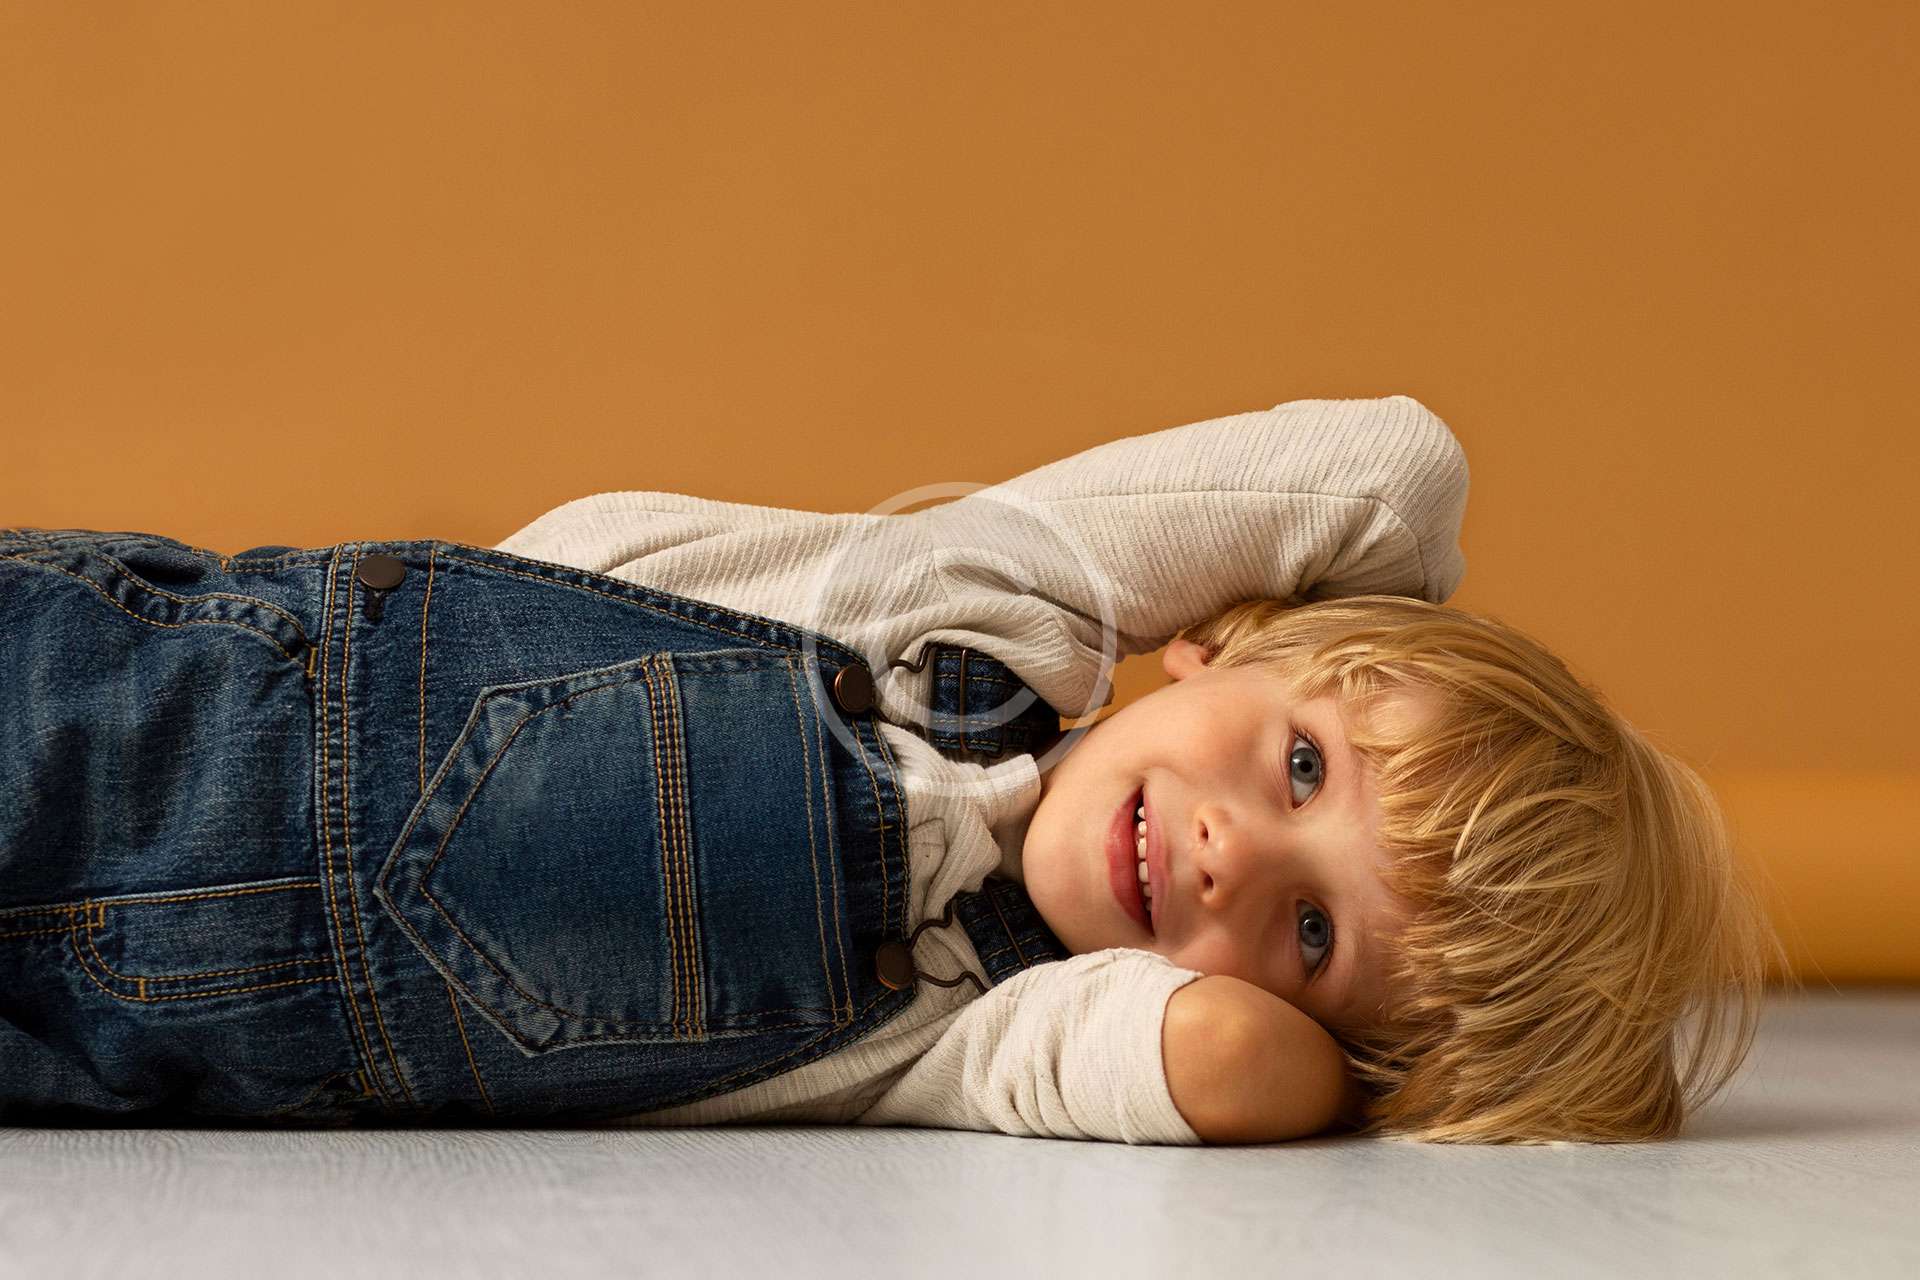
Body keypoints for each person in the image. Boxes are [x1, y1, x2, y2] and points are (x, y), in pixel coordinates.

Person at [0, 395, 1783, 1143]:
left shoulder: (975, 1032)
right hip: (126, 698)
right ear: (1218, 639)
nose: (1235, 856)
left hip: (133, 1033)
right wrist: (1339, 655)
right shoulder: (997, 606)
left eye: (1312, 934)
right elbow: (1394, 467)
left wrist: (1377, 1051)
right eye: (1300, 766)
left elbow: (1223, 1066)